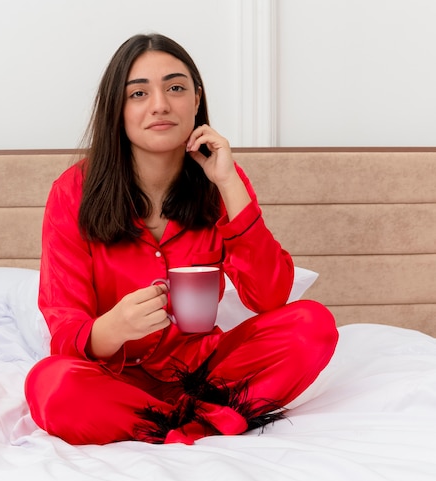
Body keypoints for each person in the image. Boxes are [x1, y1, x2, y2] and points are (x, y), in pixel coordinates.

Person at [24, 33, 338, 445]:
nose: (160, 104)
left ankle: (172, 422)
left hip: (206, 374)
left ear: (196, 99)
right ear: (117, 109)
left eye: (175, 88)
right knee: (50, 385)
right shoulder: (72, 192)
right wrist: (113, 327)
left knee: (312, 324)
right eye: (138, 93)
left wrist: (228, 182)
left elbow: (271, 296)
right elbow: (65, 329)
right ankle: (200, 420)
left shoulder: (222, 181)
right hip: (113, 378)